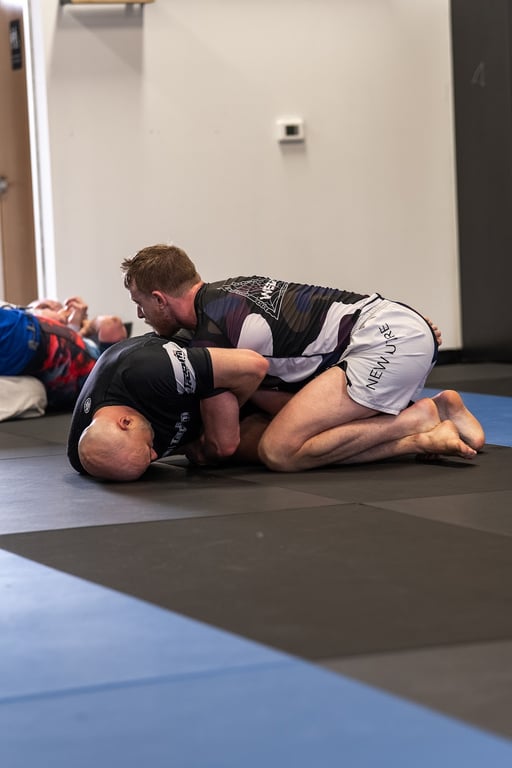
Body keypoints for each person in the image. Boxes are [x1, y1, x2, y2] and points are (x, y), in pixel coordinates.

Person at [120, 244, 485, 471]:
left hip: (385, 342)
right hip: (392, 324)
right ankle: (438, 411)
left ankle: (419, 421)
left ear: (160, 299)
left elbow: (223, 444)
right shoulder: (231, 290)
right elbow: (286, 394)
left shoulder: (211, 335)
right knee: (297, 425)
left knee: (280, 452)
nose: (140, 315)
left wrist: (191, 448)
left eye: (140, 303)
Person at [67, 334, 269, 481]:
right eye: (150, 461)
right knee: (263, 450)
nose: (156, 456)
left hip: (243, 368)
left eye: (148, 450)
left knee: (224, 444)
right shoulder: (91, 458)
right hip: (205, 403)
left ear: (126, 422)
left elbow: (254, 366)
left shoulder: (148, 372)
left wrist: (219, 424)